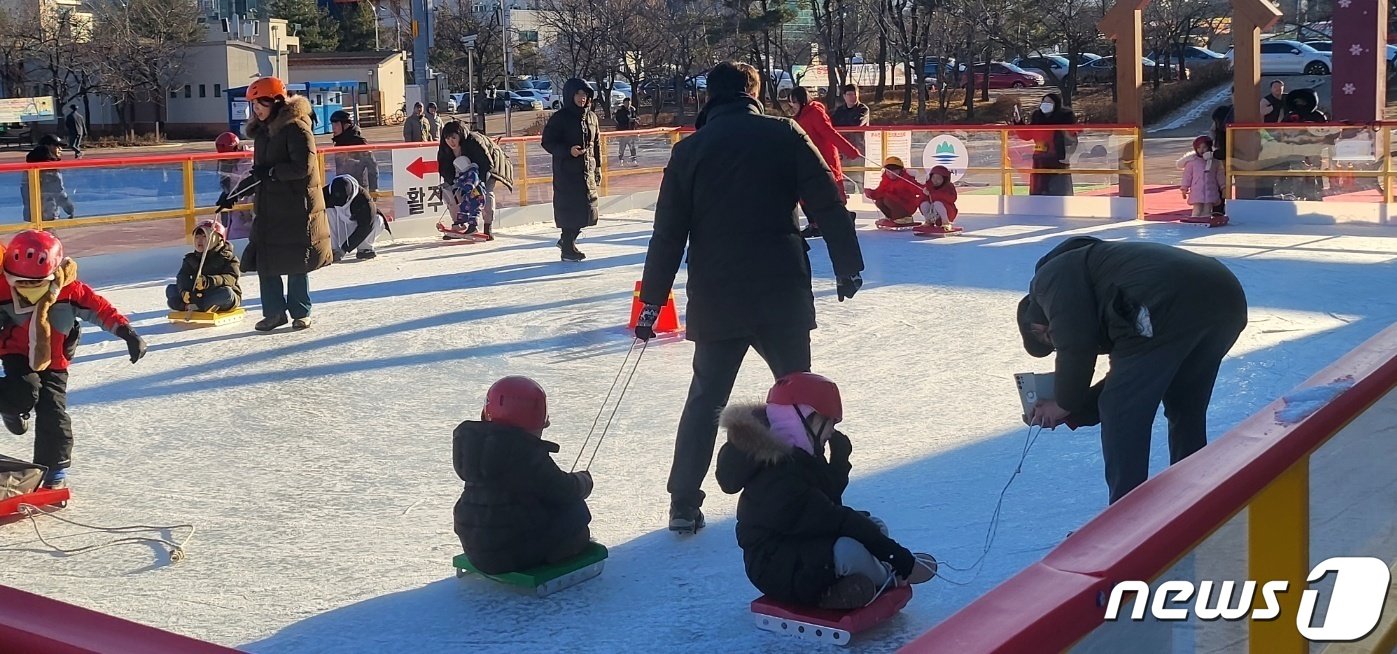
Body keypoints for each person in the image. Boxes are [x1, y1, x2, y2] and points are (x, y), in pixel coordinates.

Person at [636, 61, 865, 533]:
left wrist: (653, 301)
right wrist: (848, 264)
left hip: (718, 293)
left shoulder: (691, 151)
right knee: (798, 395)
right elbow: (827, 201)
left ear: (710, 98)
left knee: (705, 399)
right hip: (780, 289)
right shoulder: (784, 134)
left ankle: (683, 501)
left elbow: (667, 234)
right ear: (753, 93)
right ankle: (814, 490)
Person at [1017, 236, 1248, 504]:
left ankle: (1126, 524)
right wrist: (1073, 411)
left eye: (1051, 339)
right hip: (1224, 296)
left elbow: (1077, 346)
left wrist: (1065, 402)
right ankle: (1195, 503)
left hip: (1163, 301)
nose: (1057, 341)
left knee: (1122, 412)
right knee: (1185, 404)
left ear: (1038, 326)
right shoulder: (1108, 280)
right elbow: (1127, 379)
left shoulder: (1048, 280)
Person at [715, 373, 936, 608]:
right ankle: (889, 578)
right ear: (803, 420)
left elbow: (827, 499)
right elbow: (836, 518)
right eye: (828, 422)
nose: (832, 430)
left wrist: (839, 461)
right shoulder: (776, 478)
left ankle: (854, 584)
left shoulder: (795, 455)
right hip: (776, 569)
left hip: (799, 547)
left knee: (874, 525)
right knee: (848, 548)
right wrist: (903, 562)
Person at [0, 230, 147, 491]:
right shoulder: (3, 290)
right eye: (20, 283)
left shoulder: (70, 290)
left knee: (53, 412)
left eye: (35, 284)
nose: (27, 289)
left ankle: (53, 468)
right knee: (24, 391)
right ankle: (11, 408)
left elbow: (100, 309)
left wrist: (127, 333)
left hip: (55, 360)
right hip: (17, 353)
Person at [222, 76, 332, 332]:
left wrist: (271, 174)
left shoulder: (296, 127)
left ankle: (300, 311)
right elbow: (259, 170)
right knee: (266, 261)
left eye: (260, 103)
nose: (256, 109)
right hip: (270, 207)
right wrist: (234, 193)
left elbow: (303, 167)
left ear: (276, 101)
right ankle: (273, 313)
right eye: (253, 104)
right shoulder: (262, 133)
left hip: (296, 206)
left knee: (295, 260)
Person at [453, 376, 594, 574]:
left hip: (474, 544)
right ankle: (553, 554)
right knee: (576, 510)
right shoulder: (525, 454)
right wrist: (585, 481)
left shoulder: (475, 446)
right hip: (510, 554)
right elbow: (564, 490)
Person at [541, 78, 601, 262]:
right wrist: (568, 151)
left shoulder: (591, 117)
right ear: (570, 95)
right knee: (570, 211)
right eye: (578, 94)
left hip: (586, 171)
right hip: (567, 172)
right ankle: (567, 246)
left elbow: (596, 144)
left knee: (587, 212)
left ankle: (566, 241)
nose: (582, 98)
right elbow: (548, 142)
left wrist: (597, 167)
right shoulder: (561, 117)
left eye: (585, 94)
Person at [790, 85, 862, 238]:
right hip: (807, 162)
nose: (792, 106)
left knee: (829, 194)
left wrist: (850, 151)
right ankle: (815, 224)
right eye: (791, 102)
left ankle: (844, 218)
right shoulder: (798, 117)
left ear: (802, 101)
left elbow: (830, 133)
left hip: (824, 160)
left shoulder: (815, 113)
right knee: (805, 194)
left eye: (794, 102)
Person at [437, 120, 515, 242]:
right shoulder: (445, 149)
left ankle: (487, 226)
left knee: (484, 194)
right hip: (464, 171)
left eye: (454, 137)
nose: (450, 142)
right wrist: (454, 184)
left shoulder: (473, 143)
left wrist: (479, 183)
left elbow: (487, 164)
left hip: (489, 167)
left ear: (460, 135)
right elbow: (445, 169)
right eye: (447, 138)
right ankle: (459, 223)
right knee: (450, 191)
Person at [166, 219, 241, 313]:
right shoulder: (191, 259)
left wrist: (209, 281)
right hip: (197, 295)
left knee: (226, 293)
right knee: (171, 289)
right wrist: (184, 291)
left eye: (204, 236)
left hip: (216, 292)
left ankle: (198, 306)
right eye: (197, 237)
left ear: (217, 239)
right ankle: (191, 305)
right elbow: (182, 276)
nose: (199, 241)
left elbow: (231, 278)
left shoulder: (228, 258)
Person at [1021, 93, 1077, 196]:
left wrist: (1066, 154)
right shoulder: (1037, 117)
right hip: (1039, 159)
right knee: (1039, 189)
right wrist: (1018, 123)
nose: (1045, 104)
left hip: (1058, 159)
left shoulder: (1065, 116)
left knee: (1058, 189)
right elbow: (1027, 135)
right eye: (1044, 101)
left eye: (1049, 102)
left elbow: (1072, 137)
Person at [324, 174, 387, 260]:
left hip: (358, 227)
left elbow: (366, 225)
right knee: (325, 213)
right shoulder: (324, 194)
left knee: (377, 219)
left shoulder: (364, 199)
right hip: (338, 227)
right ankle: (333, 250)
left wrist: (345, 249)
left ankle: (364, 248)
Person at [21, 135, 75, 221]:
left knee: (34, 233)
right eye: (57, 146)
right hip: (48, 214)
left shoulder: (30, 166)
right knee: (49, 234)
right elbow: (59, 193)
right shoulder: (50, 169)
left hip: (31, 215)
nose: (60, 149)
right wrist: (70, 209)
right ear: (47, 146)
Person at [215, 132, 256, 239]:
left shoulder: (249, 162)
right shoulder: (229, 166)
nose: (226, 161)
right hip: (235, 212)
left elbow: (251, 186)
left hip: (246, 214)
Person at [862, 156, 924, 226]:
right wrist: (871, 193)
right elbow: (879, 192)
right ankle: (892, 218)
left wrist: (925, 189)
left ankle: (904, 218)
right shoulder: (885, 179)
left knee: (887, 199)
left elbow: (917, 189)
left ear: (900, 170)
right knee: (879, 201)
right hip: (895, 203)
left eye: (894, 171)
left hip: (907, 207)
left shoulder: (906, 180)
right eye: (888, 171)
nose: (891, 173)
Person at [329, 110, 379, 192]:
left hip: (359, 188)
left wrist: (373, 188)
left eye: (336, 124)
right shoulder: (339, 142)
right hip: (343, 186)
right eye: (332, 124)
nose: (333, 128)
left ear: (346, 125)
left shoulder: (359, 142)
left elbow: (372, 166)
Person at [1180, 135, 1225, 218]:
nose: (1201, 150)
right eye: (1199, 148)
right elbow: (1187, 176)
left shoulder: (1215, 162)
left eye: (1204, 147)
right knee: (1197, 208)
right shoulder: (1192, 162)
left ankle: (1206, 220)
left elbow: (1220, 175)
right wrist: (1184, 188)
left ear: (1209, 147)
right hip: (1197, 190)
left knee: (1207, 209)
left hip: (1211, 190)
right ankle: (1194, 220)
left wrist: (1223, 187)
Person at [447, 155, 487, 234]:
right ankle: (460, 223)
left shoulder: (472, 173)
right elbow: (460, 182)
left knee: (474, 209)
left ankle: (473, 226)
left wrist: (466, 185)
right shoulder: (463, 175)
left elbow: (472, 183)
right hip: (468, 196)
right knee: (463, 207)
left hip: (476, 195)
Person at [920, 165, 959, 229]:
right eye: (934, 177)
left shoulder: (949, 187)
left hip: (948, 211)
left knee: (937, 203)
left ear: (944, 179)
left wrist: (933, 194)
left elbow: (952, 198)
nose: (935, 180)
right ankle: (928, 221)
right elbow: (919, 201)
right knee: (923, 204)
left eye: (939, 178)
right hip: (933, 212)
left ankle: (946, 222)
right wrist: (923, 194)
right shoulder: (928, 186)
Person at [614, 98, 639, 166]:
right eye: (627, 103)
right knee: (622, 147)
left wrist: (635, 121)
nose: (628, 104)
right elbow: (619, 120)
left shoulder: (632, 110)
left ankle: (634, 160)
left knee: (632, 147)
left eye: (629, 103)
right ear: (624, 103)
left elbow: (635, 117)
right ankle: (621, 160)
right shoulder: (620, 111)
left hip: (631, 132)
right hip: (623, 132)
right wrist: (628, 120)